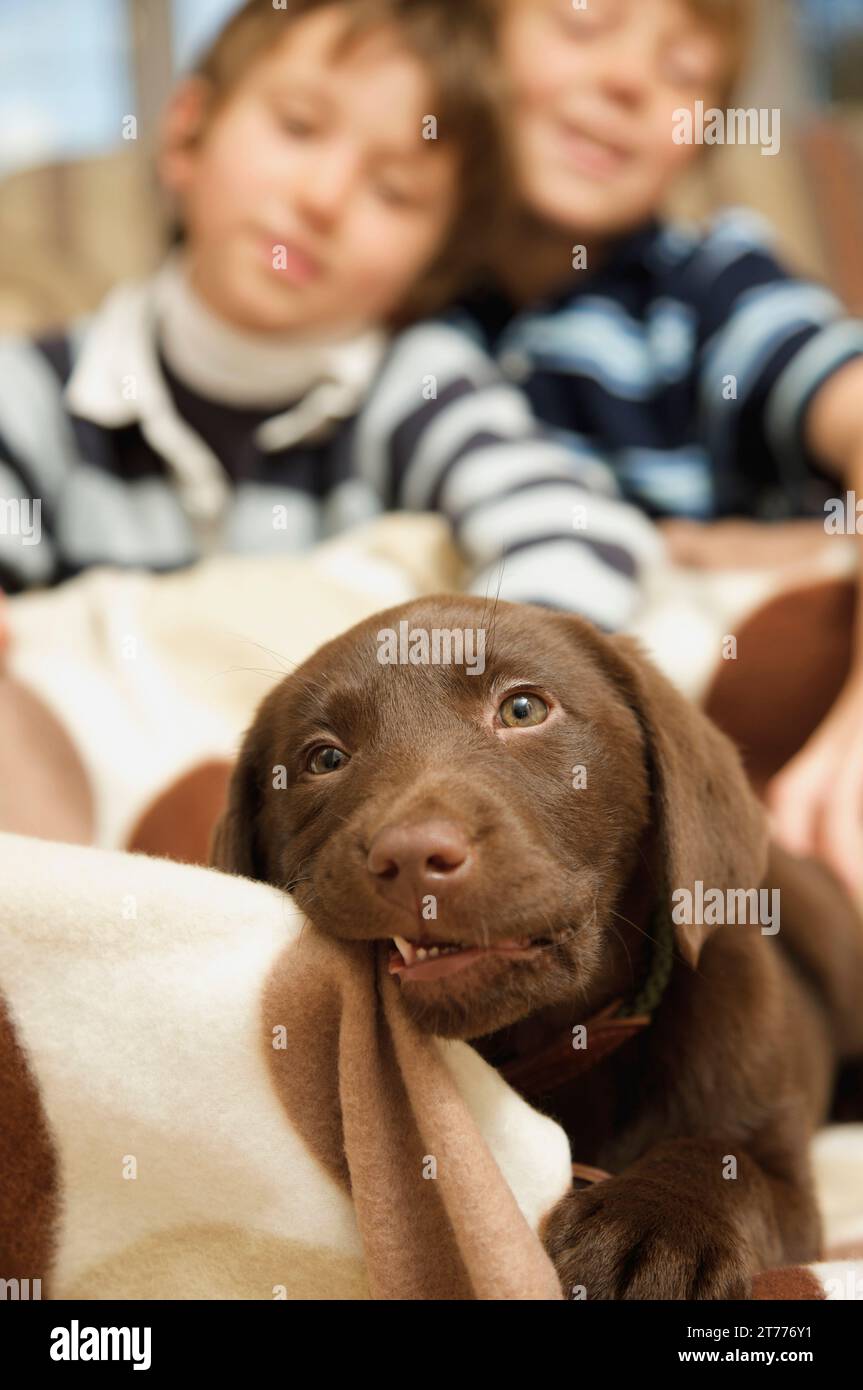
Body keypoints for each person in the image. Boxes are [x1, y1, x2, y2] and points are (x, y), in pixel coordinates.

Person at [0, 0, 657, 635]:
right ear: (186, 133)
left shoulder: (419, 387)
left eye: (394, 190)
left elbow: (574, 536)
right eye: (297, 127)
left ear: (432, 267)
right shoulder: (31, 391)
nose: (323, 199)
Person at [462, 0, 863, 890]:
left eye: (684, 72)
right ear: (467, 38)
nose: (629, 80)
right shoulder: (392, 316)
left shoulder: (708, 284)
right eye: (583, 22)